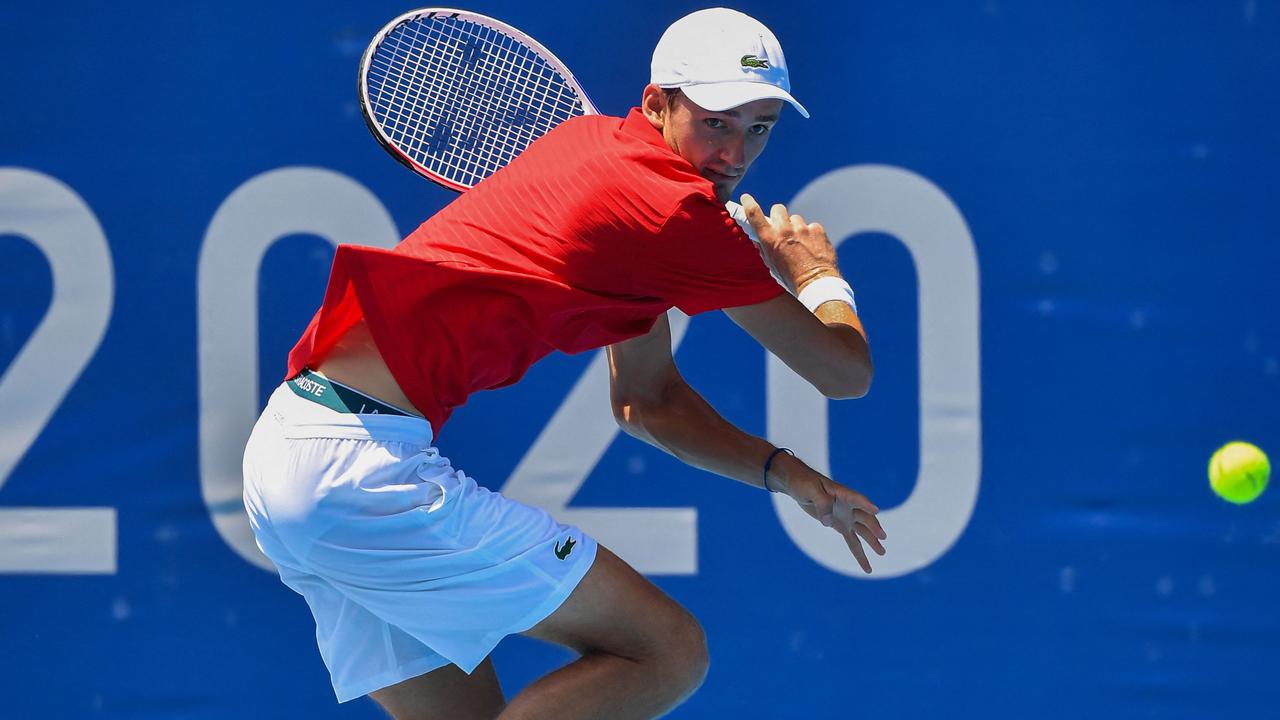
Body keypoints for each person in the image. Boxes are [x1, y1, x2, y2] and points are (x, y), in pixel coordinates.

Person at [242, 7, 886, 719]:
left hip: (288, 456)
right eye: (716, 123)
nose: (734, 154)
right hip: (360, 474)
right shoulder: (672, 215)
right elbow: (843, 374)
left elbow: (649, 402)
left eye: (758, 128)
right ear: (656, 104)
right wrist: (818, 274)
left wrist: (794, 479)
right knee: (666, 651)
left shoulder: (590, 148)